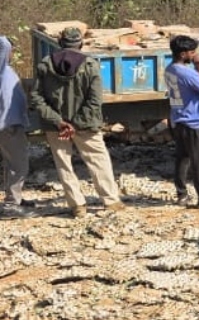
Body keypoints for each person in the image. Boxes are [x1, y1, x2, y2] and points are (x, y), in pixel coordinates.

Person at [30, 27, 123, 217]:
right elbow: (95, 100)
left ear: (60, 43)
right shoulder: (90, 65)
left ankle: (77, 206)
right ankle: (111, 201)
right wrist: (76, 123)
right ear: (80, 43)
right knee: (98, 160)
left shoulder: (45, 65)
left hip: (56, 127)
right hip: (86, 125)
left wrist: (60, 122)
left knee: (63, 163)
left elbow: (36, 98)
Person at [164, 35, 199, 209]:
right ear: (182, 54)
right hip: (194, 122)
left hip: (178, 119)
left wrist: (196, 67)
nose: (195, 54)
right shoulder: (187, 73)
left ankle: (181, 194)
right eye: (192, 52)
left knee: (182, 159)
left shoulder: (170, 69)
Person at [0, 36, 34, 219]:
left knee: (12, 163)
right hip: (8, 124)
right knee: (18, 164)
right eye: (11, 50)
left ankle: (15, 198)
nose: (12, 52)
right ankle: (11, 204)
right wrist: (5, 39)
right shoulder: (1, 67)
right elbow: (3, 44)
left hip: (9, 122)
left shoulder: (5, 69)